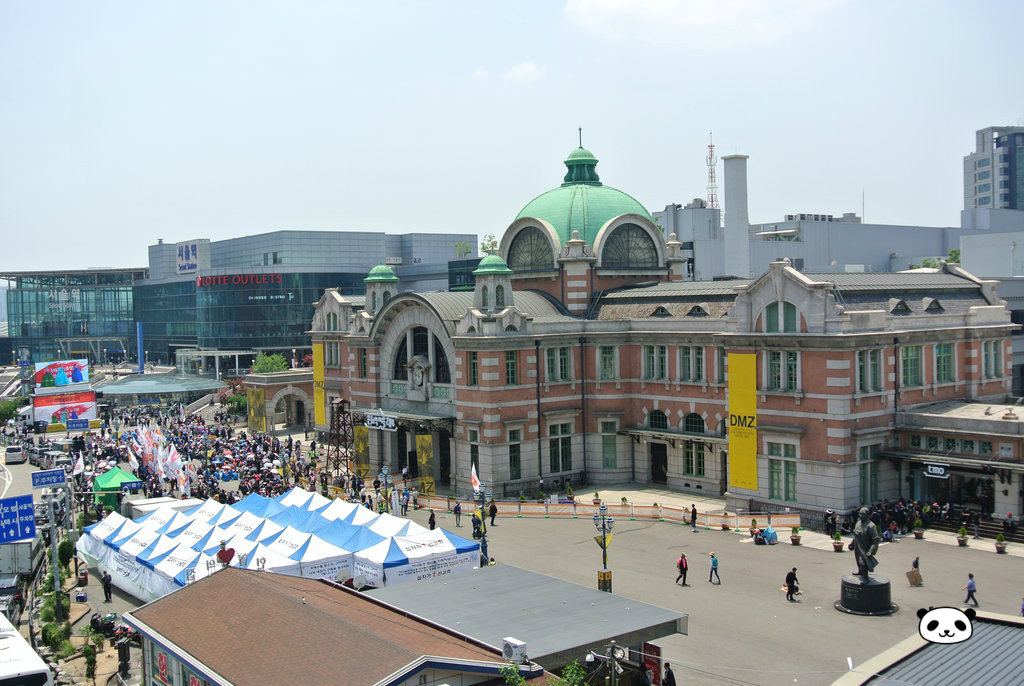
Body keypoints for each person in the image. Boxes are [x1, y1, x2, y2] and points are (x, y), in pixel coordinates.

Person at [851, 507, 881, 578]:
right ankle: (860, 572)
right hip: (857, 546)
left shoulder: (871, 526)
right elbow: (856, 535)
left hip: (865, 548)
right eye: (860, 514)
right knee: (858, 560)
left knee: (863, 563)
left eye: (863, 514)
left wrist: (871, 551)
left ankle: (865, 577)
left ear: (868, 515)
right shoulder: (858, 523)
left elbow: (876, 540)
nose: (861, 515)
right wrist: (852, 544)